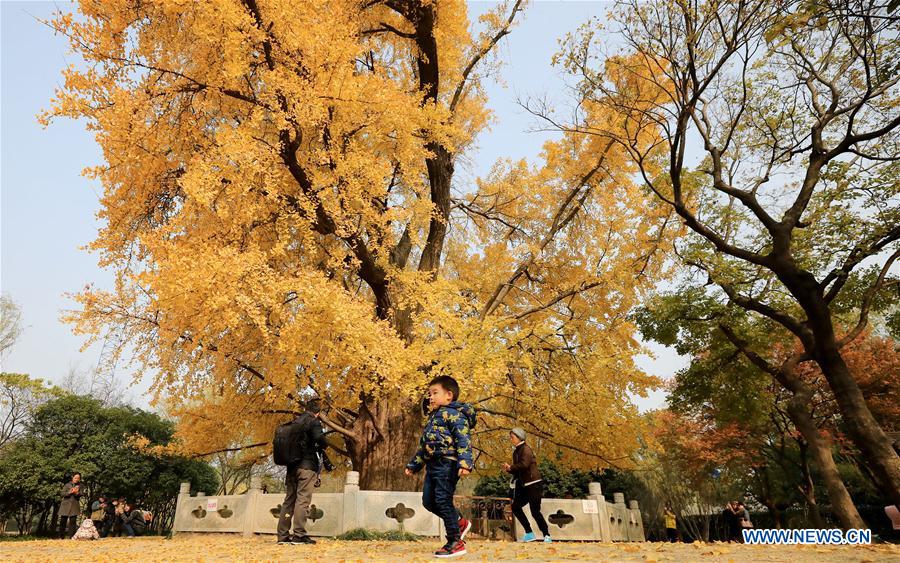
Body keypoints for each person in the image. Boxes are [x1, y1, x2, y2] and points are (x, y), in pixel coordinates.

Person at [405, 375, 476, 558]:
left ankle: (455, 541)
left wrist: (465, 463)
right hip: (432, 465)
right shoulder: (433, 418)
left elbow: (463, 440)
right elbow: (425, 447)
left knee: (443, 500)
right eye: (429, 394)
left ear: (449, 395)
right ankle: (459, 522)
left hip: (448, 463)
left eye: (435, 393)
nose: (431, 397)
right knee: (429, 501)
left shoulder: (455, 415)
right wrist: (414, 465)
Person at [276, 398, 328, 546]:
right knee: (303, 500)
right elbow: (320, 438)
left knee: (289, 501)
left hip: (291, 468)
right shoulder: (313, 421)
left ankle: (282, 536)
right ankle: (299, 535)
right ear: (317, 413)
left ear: (306, 409)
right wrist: (324, 442)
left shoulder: (295, 423)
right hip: (306, 467)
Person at [503, 428, 551, 543]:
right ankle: (529, 533)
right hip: (523, 485)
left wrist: (512, 467)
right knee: (515, 507)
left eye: (512, 437)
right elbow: (518, 469)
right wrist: (509, 469)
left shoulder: (526, 449)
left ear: (519, 437)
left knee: (535, 511)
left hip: (534, 484)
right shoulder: (516, 451)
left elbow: (524, 465)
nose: (511, 440)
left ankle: (547, 535)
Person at [58, 472, 83, 538]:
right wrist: (70, 492)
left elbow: (81, 494)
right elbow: (62, 494)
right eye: (75, 478)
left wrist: (77, 493)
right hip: (65, 505)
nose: (77, 479)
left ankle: (72, 537)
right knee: (63, 521)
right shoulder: (67, 485)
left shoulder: (80, 485)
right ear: (72, 477)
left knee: (73, 522)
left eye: (78, 478)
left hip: (74, 504)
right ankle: (61, 537)